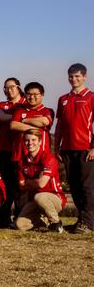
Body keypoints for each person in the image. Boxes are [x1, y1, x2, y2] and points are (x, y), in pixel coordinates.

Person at [54, 63, 94, 234]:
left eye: (77, 76)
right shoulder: (63, 99)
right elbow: (60, 125)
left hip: (86, 148)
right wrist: (57, 148)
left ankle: (88, 222)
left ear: (85, 77)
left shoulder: (91, 96)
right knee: (75, 186)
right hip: (67, 150)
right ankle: (82, 221)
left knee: (87, 187)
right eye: (71, 76)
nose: (74, 79)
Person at [16, 129, 67, 233]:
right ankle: (44, 222)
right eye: (27, 140)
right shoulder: (22, 161)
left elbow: (41, 183)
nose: (30, 143)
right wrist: (35, 181)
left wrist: (29, 182)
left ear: (40, 142)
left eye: (33, 140)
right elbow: (21, 185)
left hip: (55, 198)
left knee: (40, 196)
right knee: (20, 224)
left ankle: (56, 223)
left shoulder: (48, 158)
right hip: (35, 200)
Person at [0, 77, 26, 227]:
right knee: (4, 187)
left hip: (20, 151)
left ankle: (20, 218)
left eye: (12, 86)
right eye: (6, 87)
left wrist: (19, 119)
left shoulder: (25, 103)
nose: (9, 90)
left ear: (19, 87)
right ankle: (2, 219)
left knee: (19, 187)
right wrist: (19, 118)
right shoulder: (2, 104)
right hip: (3, 151)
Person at [10, 82, 54, 166]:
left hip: (41, 155)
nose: (32, 97)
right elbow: (13, 125)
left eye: (35, 94)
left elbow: (44, 122)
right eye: (29, 94)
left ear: (42, 95)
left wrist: (24, 120)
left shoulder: (47, 111)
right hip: (20, 155)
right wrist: (36, 127)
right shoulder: (20, 110)